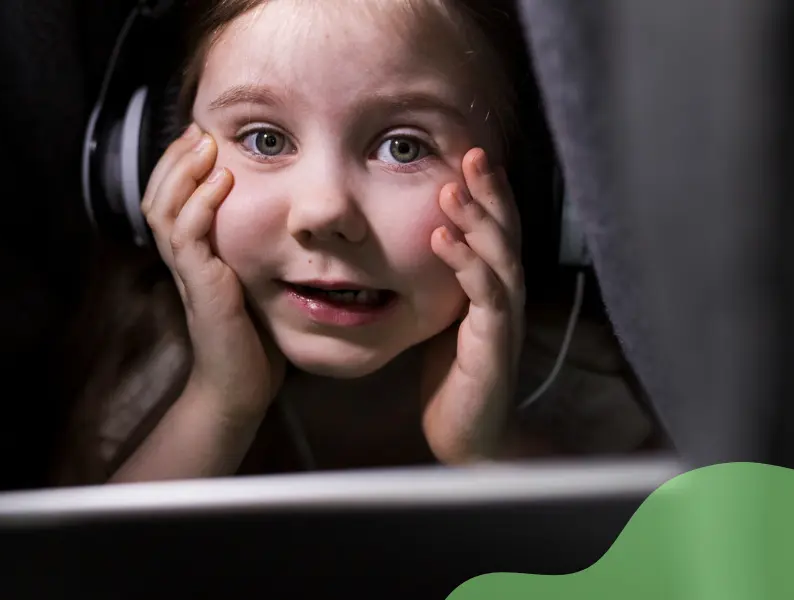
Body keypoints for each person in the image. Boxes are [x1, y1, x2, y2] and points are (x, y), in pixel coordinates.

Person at [55, 0, 657, 485]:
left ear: (528, 187)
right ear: (157, 165)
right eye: (265, 140)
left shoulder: (586, 395)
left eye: (404, 147)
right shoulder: (144, 388)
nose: (324, 212)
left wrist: (490, 449)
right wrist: (218, 408)